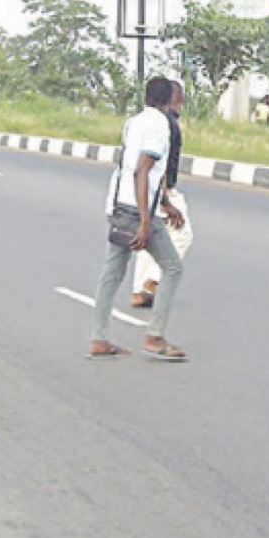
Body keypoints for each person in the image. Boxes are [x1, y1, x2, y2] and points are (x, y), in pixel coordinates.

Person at [87, 77, 187, 362]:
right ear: (168, 101)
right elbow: (142, 172)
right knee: (172, 268)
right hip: (137, 210)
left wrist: (166, 204)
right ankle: (154, 337)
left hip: (118, 204)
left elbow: (135, 169)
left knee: (112, 273)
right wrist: (145, 221)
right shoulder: (159, 126)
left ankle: (99, 338)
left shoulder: (134, 122)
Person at [131, 81, 193, 309]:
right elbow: (160, 164)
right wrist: (165, 200)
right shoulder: (169, 125)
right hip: (161, 190)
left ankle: (139, 291)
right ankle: (152, 282)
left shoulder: (142, 122)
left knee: (149, 238)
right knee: (182, 233)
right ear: (177, 100)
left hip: (145, 190)